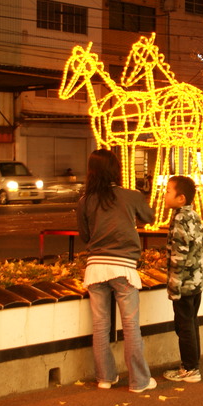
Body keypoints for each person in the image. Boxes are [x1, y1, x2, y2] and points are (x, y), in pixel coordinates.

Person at [77, 148, 157, 393]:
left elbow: (85, 236)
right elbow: (150, 217)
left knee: (101, 326)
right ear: (116, 169)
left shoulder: (85, 200)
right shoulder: (130, 196)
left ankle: (105, 378)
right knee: (130, 325)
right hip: (123, 267)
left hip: (95, 268)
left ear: (91, 172)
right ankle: (139, 381)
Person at [161, 175, 203, 383]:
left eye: (168, 191)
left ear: (181, 198)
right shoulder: (194, 215)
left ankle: (190, 369)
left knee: (184, 326)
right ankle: (191, 364)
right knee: (191, 323)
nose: (165, 194)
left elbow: (178, 255)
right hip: (197, 280)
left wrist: (174, 285)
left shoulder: (179, 218)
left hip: (184, 283)